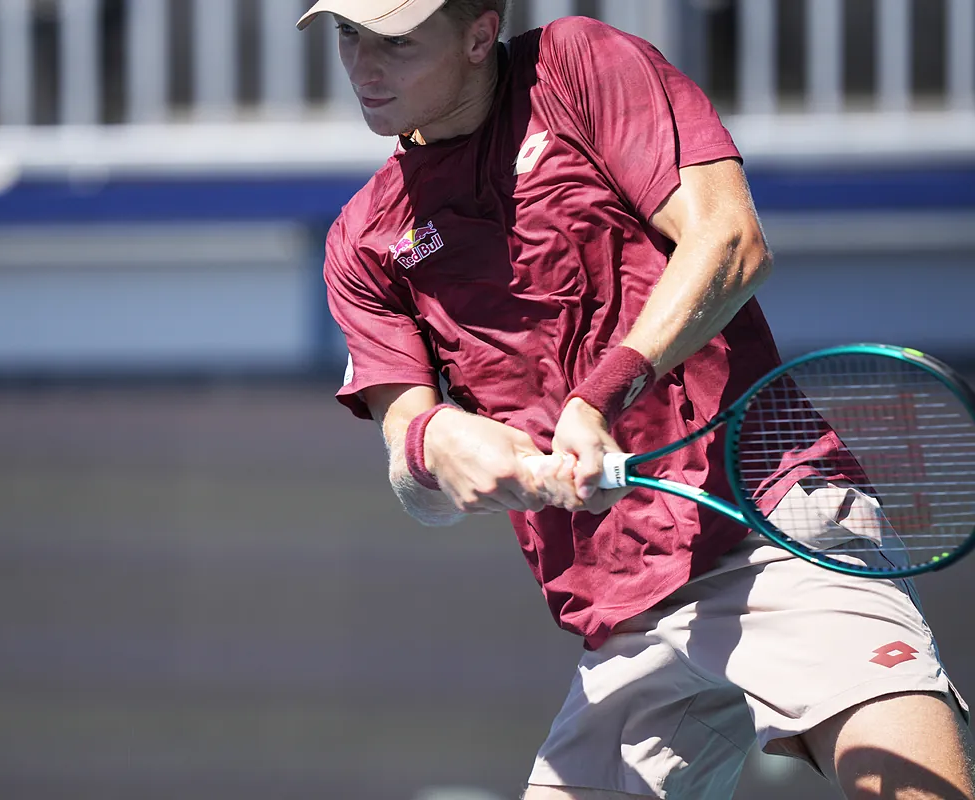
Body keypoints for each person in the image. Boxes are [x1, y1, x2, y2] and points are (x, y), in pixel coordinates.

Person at [295, 1, 975, 798]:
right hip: (623, 614)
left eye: (397, 41)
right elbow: (410, 456)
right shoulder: (364, 241)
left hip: (769, 525)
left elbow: (730, 239)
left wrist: (598, 399)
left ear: (480, 34)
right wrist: (437, 446)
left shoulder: (580, 66)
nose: (363, 66)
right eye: (348, 35)